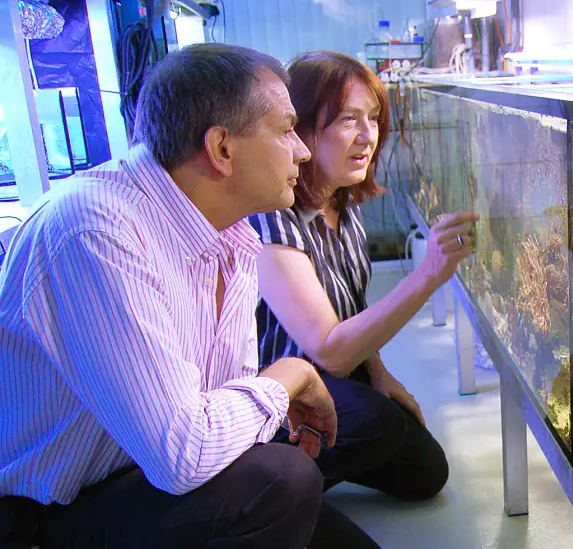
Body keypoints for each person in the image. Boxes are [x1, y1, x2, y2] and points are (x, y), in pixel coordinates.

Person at [0, 43, 379, 549]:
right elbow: (182, 454)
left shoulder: (233, 236)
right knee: (282, 481)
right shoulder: (95, 231)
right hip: (49, 514)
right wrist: (290, 376)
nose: (302, 150)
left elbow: (219, 401)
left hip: (142, 474)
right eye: (286, 129)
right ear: (222, 148)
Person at [249, 50, 478, 500]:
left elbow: (351, 309)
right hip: (282, 397)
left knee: (426, 473)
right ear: (303, 127)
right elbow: (331, 351)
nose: (367, 136)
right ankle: (268, 493)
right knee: (377, 424)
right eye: (348, 119)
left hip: (337, 380)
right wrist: (429, 272)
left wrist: (379, 372)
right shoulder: (271, 218)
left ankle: (316, 463)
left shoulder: (343, 206)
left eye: (373, 118)